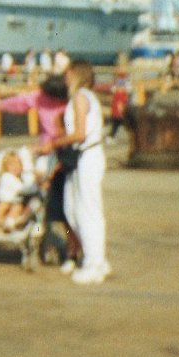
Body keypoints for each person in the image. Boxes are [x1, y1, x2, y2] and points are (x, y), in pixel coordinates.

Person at [0, 75, 76, 267]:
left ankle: (71, 250)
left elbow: (70, 134)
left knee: (65, 212)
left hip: (61, 154)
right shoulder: (40, 97)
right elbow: (19, 102)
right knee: (43, 206)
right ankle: (46, 242)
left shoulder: (69, 105)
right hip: (44, 154)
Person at [45, 63, 109, 285]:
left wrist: (53, 143)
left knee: (88, 210)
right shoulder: (79, 98)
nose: (64, 78)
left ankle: (94, 263)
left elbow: (79, 133)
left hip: (88, 156)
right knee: (71, 209)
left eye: (68, 74)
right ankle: (96, 257)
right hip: (79, 158)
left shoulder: (81, 97)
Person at [0, 151, 31, 230]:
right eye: (12, 165)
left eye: (18, 164)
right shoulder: (6, 176)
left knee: (17, 207)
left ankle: (10, 221)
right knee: (2, 207)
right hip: (4, 200)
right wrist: (31, 189)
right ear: (6, 167)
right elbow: (20, 189)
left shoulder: (19, 179)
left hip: (15, 201)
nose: (16, 167)